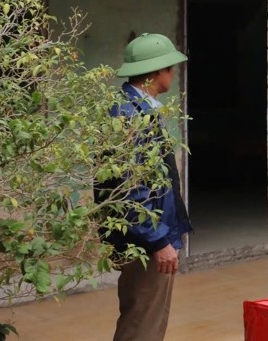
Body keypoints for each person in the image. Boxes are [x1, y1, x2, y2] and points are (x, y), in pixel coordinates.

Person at [97, 33, 192, 341]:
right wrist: (158, 241)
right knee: (142, 324)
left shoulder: (136, 107)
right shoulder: (129, 115)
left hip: (149, 237)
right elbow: (130, 189)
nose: (172, 74)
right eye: (170, 68)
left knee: (147, 317)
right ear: (156, 72)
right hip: (146, 240)